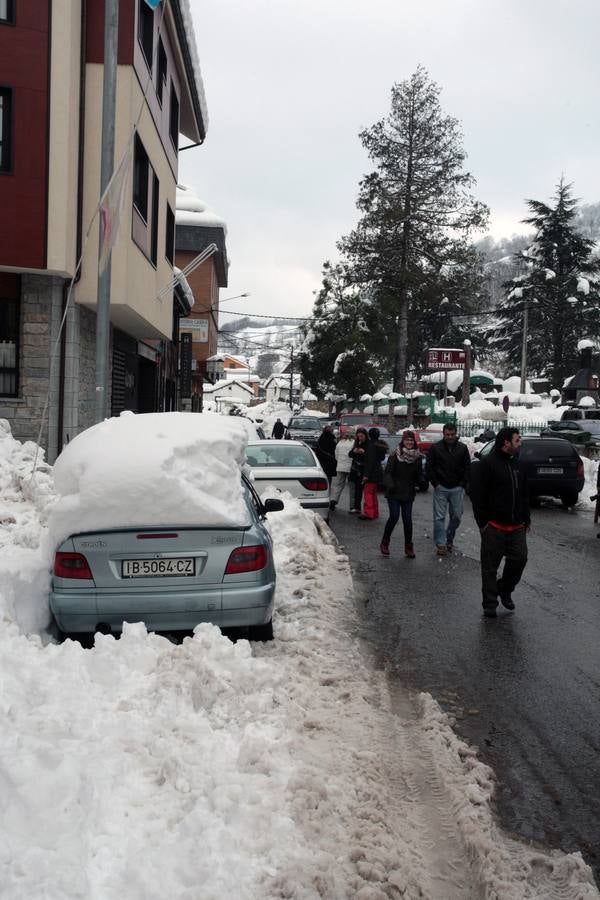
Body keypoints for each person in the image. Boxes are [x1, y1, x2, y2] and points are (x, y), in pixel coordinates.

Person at [470, 427, 530, 618]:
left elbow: (523, 495)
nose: (520, 443)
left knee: (520, 560)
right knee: (489, 567)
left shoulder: (518, 465)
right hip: (494, 527)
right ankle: (490, 603)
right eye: (517, 440)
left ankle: (504, 589)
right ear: (506, 443)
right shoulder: (487, 464)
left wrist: (526, 518)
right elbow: (477, 495)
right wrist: (482, 523)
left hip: (517, 526)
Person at [426, 422, 470, 555]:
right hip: (441, 487)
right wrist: (435, 483)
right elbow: (429, 467)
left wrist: (463, 483)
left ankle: (449, 537)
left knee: (456, 516)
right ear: (443, 434)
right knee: (439, 517)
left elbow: (467, 467)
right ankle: (441, 544)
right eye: (447, 434)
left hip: (457, 487)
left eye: (452, 434)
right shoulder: (436, 448)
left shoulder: (462, 448)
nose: (450, 437)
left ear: (455, 434)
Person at [380, 430, 420, 558]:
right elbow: (387, 473)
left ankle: (409, 546)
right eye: (407, 440)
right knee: (394, 517)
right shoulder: (395, 455)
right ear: (403, 441)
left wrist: (421, 481)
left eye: (411, 440)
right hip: (394, 492)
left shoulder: (417, 457)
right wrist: (391, 484)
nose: (409, 442)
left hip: (408, 492)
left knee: (408, 520)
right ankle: (385, 542)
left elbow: (419, 475)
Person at [360, 427, 388, 520]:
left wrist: (366, 475)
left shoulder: (371, 445)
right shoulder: (380, 445)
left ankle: (369, 513)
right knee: (373, 494)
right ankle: (375, 512)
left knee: (368, 493)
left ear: (369, 435)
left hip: (371, 473)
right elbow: (381, 458)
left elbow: (370, 461)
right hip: (378, 471)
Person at [329, 427, 355, 510]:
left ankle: (333, 500)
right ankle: (352, 506)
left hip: (340, 466)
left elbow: (336, 453)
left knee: (338, 485)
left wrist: (340, 461)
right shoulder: (354, 443)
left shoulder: (340, 442)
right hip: (351, 467)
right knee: (352, 487)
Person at [348, 428, 368, 513]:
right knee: (354, 489)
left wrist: (363, 452)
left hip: (363, 470)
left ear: (365, 435)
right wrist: (354, 451)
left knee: (360, 490)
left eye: (362, 436)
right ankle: (355, 507)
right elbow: (350, 454)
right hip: (354, 469)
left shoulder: (368, 444)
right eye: (358, 436)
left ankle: (358, 508)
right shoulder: (356, 443)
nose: (360, 438)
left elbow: (370, 457)